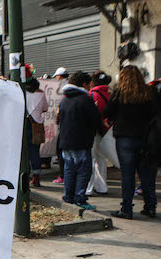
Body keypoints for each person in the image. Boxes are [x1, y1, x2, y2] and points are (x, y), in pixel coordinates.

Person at [105, 65, 158, 219]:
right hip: (147, 140)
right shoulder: (150, 92)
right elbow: (157, 112)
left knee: (127, 176)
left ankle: (126, 209)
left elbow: (107, 112)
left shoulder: (119, 94)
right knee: (147, 175)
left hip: (125, 139)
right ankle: (150, 207)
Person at [57, 71, 100, 210]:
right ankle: (80, 199)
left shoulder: (65, 99)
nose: (90, 87)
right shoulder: (85, 99)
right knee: (83, 171)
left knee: (69, 169)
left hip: (65, 141)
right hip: (81, 141)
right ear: (84, 84)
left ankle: (68, 197)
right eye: (89, 84)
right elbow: (95, 120)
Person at [86, 71, 113, 196]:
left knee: (91, 159)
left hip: (93, 131)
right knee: (101, 160)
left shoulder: (91, 94)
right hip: (105, 131)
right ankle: (102, 187)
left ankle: (88, 188)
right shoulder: (110, 94)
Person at [24, 68, 50, 187]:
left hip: (24, 124)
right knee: (35, 151)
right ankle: (36, 177)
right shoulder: (41, 93)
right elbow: (45, 108)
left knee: (22, 151)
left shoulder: (21, 92)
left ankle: (25, 175)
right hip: (37, 125)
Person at [51, 67, 70, 184]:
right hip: (68, 127)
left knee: (62, 152)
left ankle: (64, 176)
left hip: (65, 127)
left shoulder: (64, 91)